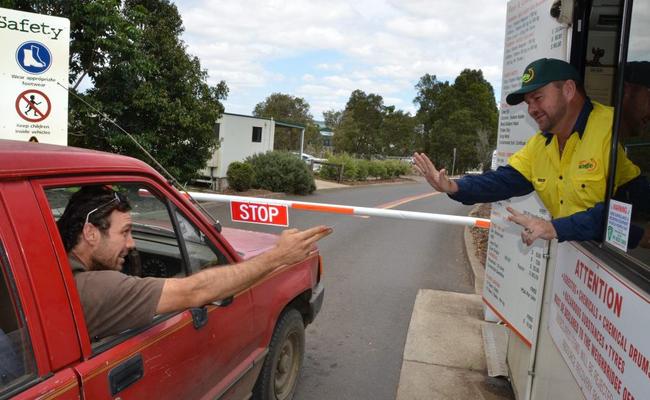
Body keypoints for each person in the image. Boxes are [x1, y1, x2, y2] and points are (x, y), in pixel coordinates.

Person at [57, 185, 332, 341]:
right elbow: (194, 292)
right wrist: (278, 256)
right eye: (125, 232)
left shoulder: (54, 267)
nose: (132, 244)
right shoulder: (97, 289)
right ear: (91, 233)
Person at [413, 58, 640, 246]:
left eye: (538, 98)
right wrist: (454, 186)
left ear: (569, 90)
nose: (531, 109)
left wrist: (554, 227)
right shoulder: (540, 145)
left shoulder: (614, 128)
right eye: (528, 102)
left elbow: (624, 211)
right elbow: (502, 181)